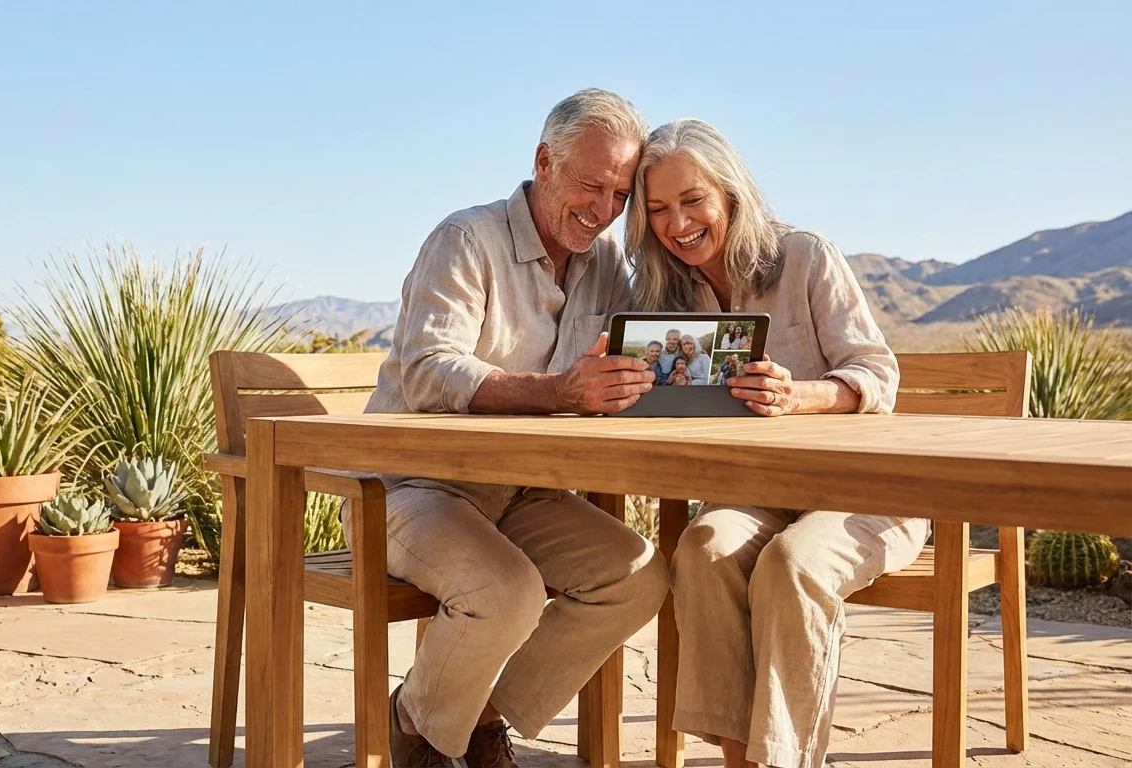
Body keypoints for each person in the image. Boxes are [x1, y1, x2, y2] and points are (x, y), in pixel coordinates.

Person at [361, 89, 672, 768]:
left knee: (640, 577)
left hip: (519, 493)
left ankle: (472, 716)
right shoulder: (465, 239)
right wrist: (559, 390)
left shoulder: (607, 267)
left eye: (620, 194)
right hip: (414, 487)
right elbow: (428, 370)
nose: (603, 210)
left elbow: (632, 356)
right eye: (592, 185)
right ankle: (418, 731)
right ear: (543, 161)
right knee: (506, 593)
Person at [625, 118, 924, 768]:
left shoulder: (805, 256)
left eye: (692, 199)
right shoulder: (666, 300)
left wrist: (802, 395)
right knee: (702, 547)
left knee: (792, 563)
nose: (678, 223)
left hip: (865, 494)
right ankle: (742, 760)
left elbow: (878, 374)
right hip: (759, 495)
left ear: (729, 191)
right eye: (658, 209)